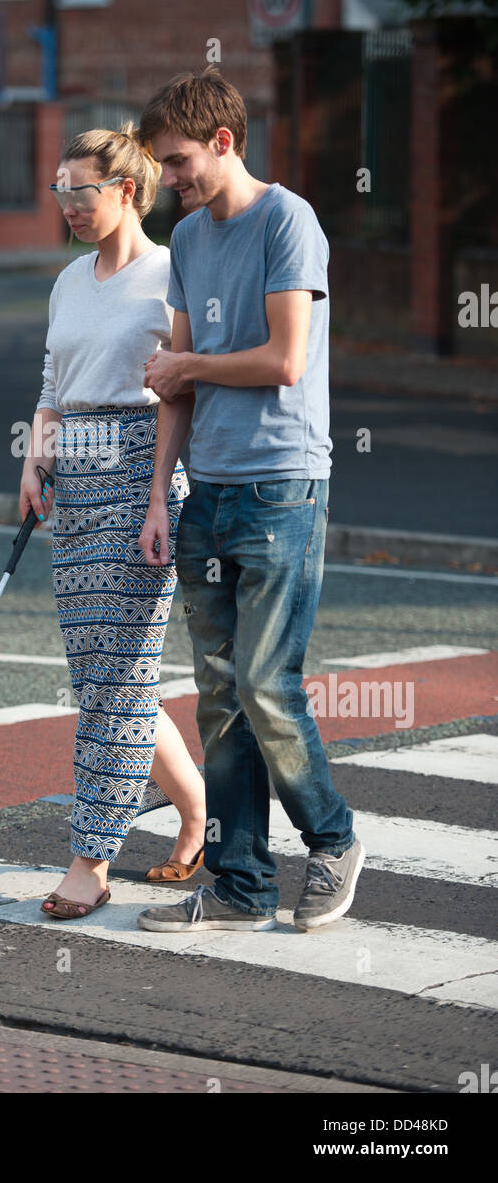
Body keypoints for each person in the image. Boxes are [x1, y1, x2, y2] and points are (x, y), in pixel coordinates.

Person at [133, 67, 364, 934]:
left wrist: (184, 366)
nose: (168, 178)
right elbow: (175, 387)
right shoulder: (189, 239)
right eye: (162, 165)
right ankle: (238, 884)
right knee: (220, 699)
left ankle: (332, 838)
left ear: (223, 143)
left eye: (177, 160)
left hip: (280, 487)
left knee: (268, 687)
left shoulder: (287, 221)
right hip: (208, 494)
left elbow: (283, 359)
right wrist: (160, 494)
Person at [18, 122, 206, 919]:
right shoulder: (67, 279)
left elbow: (184, 388)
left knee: (116, 680)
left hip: (142, 473)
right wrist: (36, 455)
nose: (66, 203)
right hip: (76, 477)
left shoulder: (174, 273)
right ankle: (197, 812)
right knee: (108, 676)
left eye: (80, 189)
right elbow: (54, 378)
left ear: (127, 191)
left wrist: (161, 494)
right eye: (58, 189)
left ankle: (90, 859)